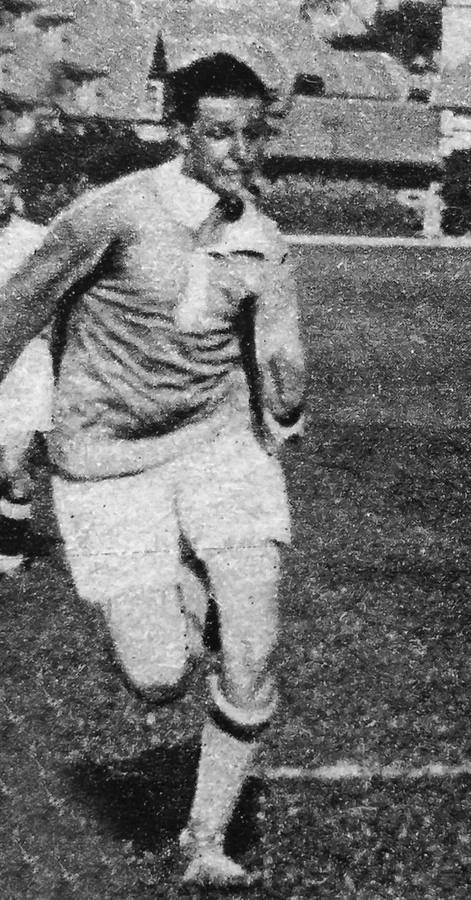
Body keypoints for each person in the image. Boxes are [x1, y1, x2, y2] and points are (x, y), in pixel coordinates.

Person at [0, 53, 305, 887]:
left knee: (252, 650)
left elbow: (281, 356)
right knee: (159, 677)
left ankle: (204, 842)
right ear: (180, 133)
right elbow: (16, 309)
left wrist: (283, 391)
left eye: (252, 133)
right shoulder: (117, 212)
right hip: (106, 464)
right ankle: (182, 582)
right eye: (219, 134)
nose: (239, 151)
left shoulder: (263, 237)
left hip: (216, 446)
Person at [0, 147, 49, 574]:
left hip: (23, 366)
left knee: (12, 464)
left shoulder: (35, 237)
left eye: (6, 180)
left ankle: (10, 555)